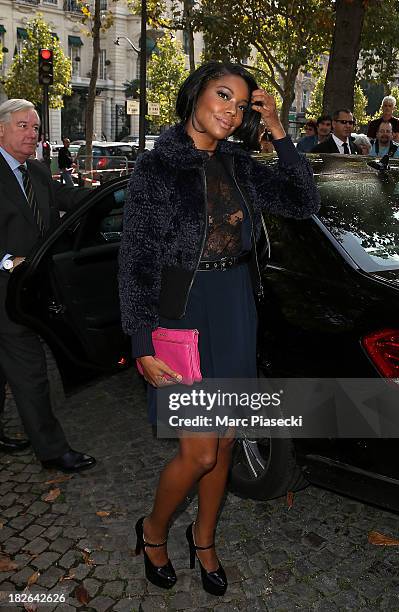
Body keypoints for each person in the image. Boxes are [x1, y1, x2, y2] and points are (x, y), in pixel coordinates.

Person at [118, 61, 320, 596]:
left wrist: (278, 131)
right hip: (182, 315)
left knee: (225, 443)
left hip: (234, 306)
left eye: (241, 103)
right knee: (199, 452)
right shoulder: (158, 167)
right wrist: (141, 341)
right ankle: (154, 530)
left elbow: (304, 201)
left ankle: (204, 539)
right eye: (222, 95)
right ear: (195, 94)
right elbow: (136, 260)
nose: (230, 110)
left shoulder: (240, 163)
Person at [0, 98, 96, 472]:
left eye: (36, 127)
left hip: (31, 292)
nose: (31, 133)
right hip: (5, 295)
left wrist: (121, 192)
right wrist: (7, 261)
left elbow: (71, 200)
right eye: (23, 125)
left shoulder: (37, 172)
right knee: (31, 375)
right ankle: (52, 450)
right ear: (2, 129)